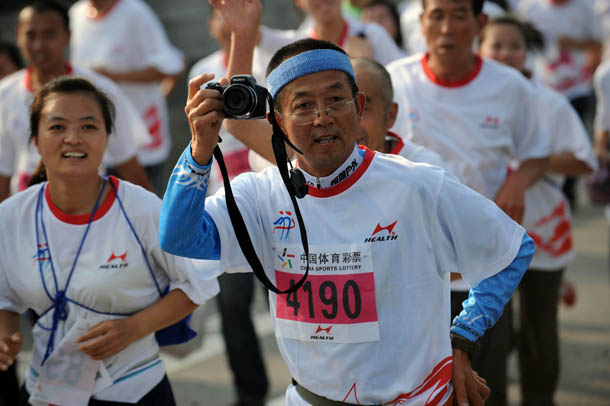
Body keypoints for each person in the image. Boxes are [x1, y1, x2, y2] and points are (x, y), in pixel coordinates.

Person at [160, 2, 536, 401]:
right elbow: (181, 239)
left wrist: (465, 337)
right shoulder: (259, 196)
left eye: (336, 100)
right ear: (277, 121)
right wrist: (199, 151)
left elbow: (511, 249)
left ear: (359, 109)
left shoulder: (417, 183)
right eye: (303, 105)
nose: (322, 117)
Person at [0, 76, 219, 405]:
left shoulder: (141, 209)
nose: (73, 139)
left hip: (136, 390)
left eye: (88, 127)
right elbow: (6, 299)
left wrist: (133, 328)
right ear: (35, 140)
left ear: (108, 138)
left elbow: (195, 286)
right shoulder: (12, 217)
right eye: (57, 127)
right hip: (45, 392)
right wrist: (5, 336)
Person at [386, 0, 550, 404]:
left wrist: (518, 182)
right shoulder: (395, 81)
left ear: (480, 23)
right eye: (436, 15)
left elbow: (537, 152)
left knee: (482, 384)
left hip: (484, 268)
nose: (446, 27)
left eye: (458, 15)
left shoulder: (511, 86)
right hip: (413, 268)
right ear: (421, 22)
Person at [479, 15, 597, 406]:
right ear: (480, 48)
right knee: (491, 337)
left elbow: (584, 161)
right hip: (486, 237)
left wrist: (534, 164)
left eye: (514, 46)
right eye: (496, 45)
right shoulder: (468, 100)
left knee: (539, 333)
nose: (505, 53)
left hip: (543, 231)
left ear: (526, 53)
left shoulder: (549, 101)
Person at [188, 8, 269, 406]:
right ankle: (250, 391)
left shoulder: (275, 60)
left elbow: (248, 123)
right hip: (228, 208)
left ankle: (308, 380)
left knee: (287, 299)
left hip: (277, 203)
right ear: (211, 23)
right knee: (233, 305)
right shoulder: (203, 73)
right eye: (223, 9)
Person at [0, 0, 151, 203]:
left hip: (89, 211)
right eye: (30, 35)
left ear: (67, 36)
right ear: (18, 35)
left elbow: (131, 168)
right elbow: (3, 171)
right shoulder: (5, 94)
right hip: (28, 215)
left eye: (49, 34)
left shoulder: (102, 91)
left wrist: (154, 223)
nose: (39, 45)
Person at [69, 0, 185, 194]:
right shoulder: (76, 14)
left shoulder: (136, 12)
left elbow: (172, 67)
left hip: (141, 141)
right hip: (97, 138)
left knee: (142, 202)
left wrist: (114, 78)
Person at [518, 0, 604, 209]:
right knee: (548, 139)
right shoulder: (530, 8)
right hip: (542, 85)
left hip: (578, 87)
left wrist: (574, 44)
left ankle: (567, 192)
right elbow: (520, 40)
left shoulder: (585, 8)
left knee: (573, 139)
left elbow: (598, 44)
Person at [351, 57, 444, 167]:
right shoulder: (326, 168)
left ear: (390, 115)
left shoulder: (425, 170)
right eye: (339, 106)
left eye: (363, 109)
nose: (350, 122)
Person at [256, 0, 404, 69]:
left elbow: (401, 83)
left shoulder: (372, 34)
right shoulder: (297, 47)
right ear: (299, 2)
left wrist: (367, 67)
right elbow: (258, 37)